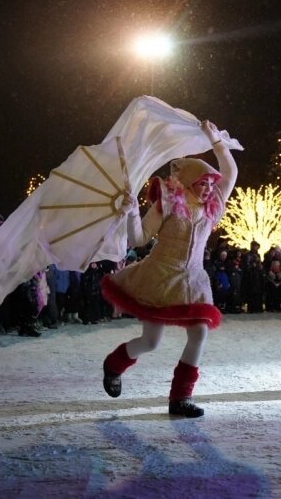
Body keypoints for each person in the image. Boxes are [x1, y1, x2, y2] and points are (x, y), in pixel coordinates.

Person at [100, 120, 238, 418]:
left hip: (192, 280)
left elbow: (231, 172)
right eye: (203, 183)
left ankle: (180, 398)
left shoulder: (212, 206)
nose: (209, 188)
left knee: (199, 333)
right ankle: (113, 365)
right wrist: (131, 212)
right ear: (188, 182)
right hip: (160, 278)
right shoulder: (168, 203)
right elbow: (139, 239)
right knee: (151, 342)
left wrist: (215, 140)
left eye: (211, 183)